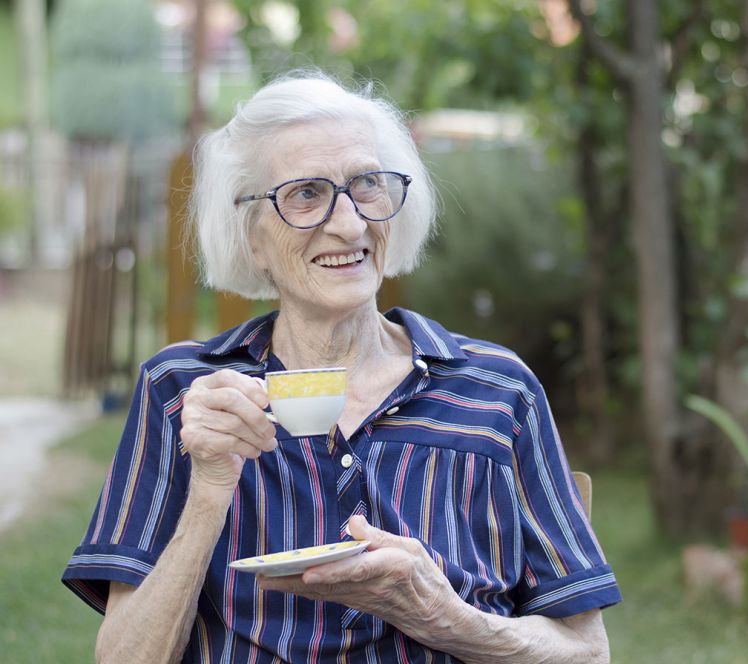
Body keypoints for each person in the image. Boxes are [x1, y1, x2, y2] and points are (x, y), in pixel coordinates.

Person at [62, 72, 621, 663]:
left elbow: (586, 652)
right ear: (252, 236)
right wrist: (208, 490)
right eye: (306, 194)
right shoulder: (186, 393)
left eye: (366, 185)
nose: (349, 224)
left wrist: (444, 616)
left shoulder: (498, 392)